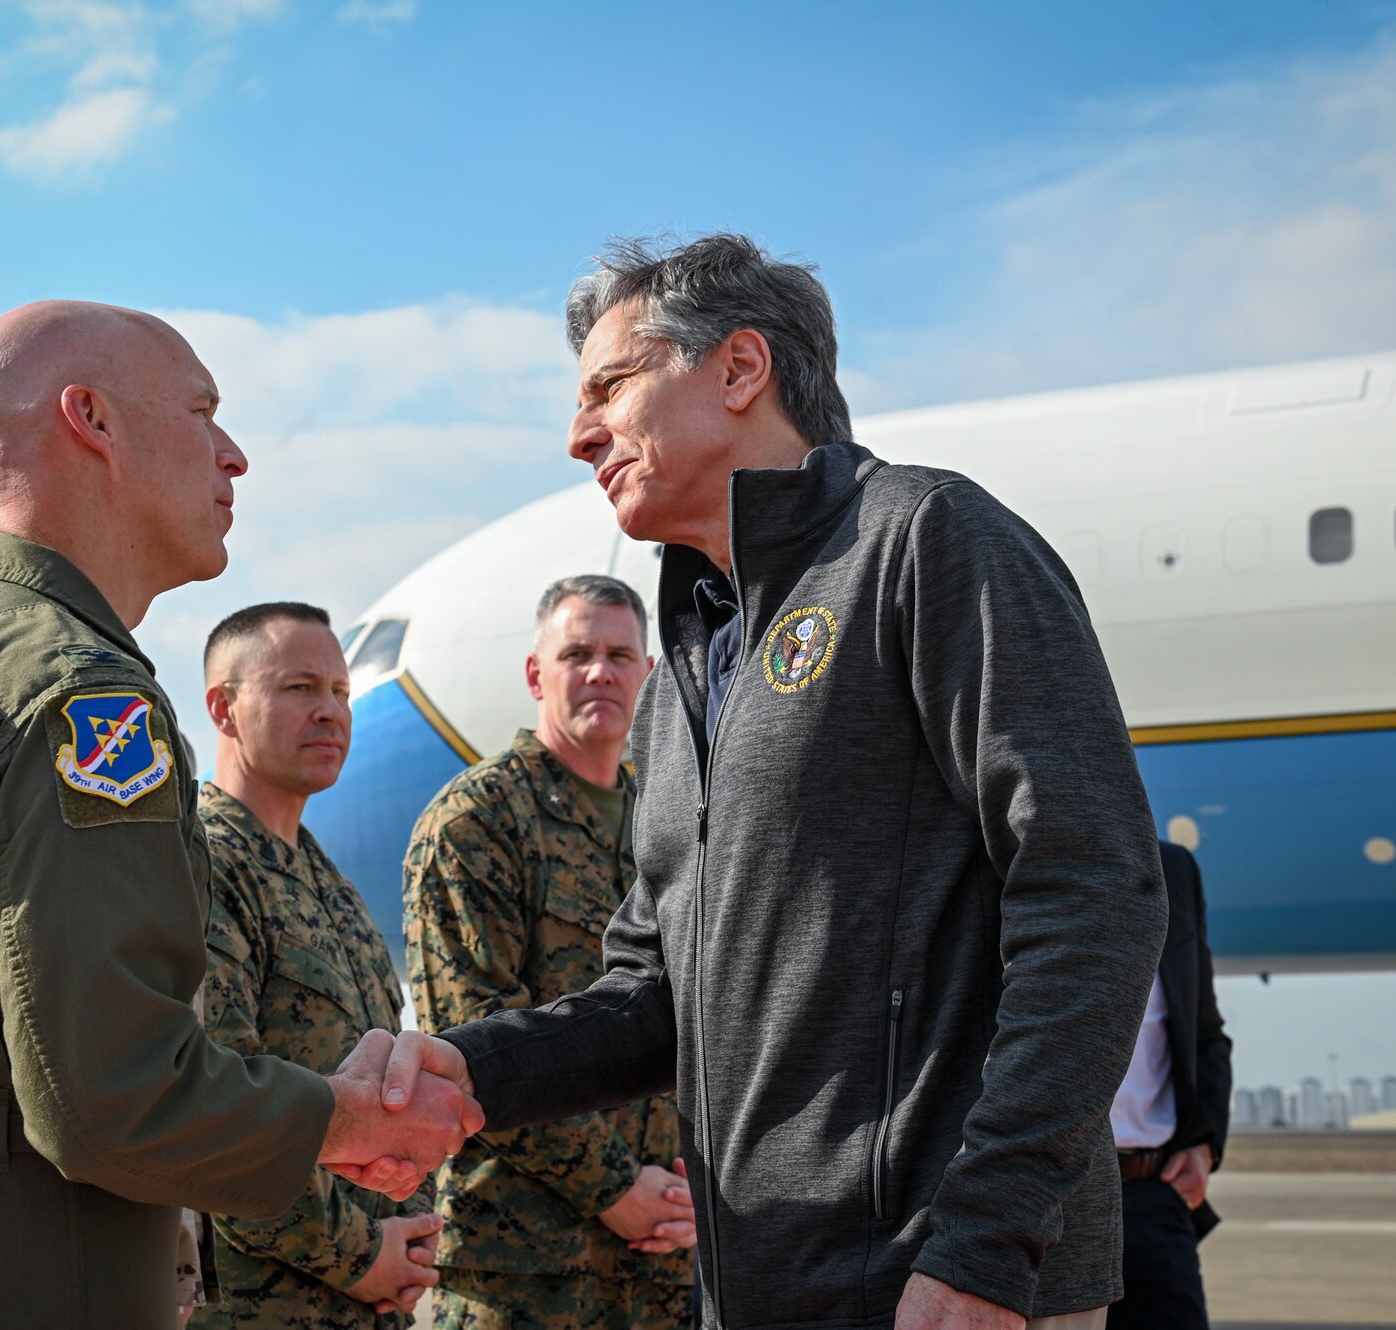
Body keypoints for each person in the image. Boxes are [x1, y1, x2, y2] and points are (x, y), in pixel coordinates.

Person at [375, 235, 1169, 1330]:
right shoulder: (684, 675)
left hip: (938, 1283)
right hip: (753, 1286)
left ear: (739, 370)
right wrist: (461, 1074)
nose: (575, 435)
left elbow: (1092, 887)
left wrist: (991, 1238)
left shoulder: (924, 540)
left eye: (609, 385)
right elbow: (656, 997)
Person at [0, 301, 480, 1330]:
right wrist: (343, 1118)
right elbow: (112, 1101)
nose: (234, 455)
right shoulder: (79, 693)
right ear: (90, 420)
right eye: (203, 412)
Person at [404, 575, 696, 1330]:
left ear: (650, 675)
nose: (600, 672)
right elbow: (469, 1037)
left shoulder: (669, 825)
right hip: (522, 1270)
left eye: (619, 655)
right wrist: (615, 1189)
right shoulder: (475, 821)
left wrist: (691, 1186)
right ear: (537, 674)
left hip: (666, 1264)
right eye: (577, 654)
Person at [195, 601, 443, 1328]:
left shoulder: (324, 880)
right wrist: (362, 1253)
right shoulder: (205, 863)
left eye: (339, 691)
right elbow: (216, 1105)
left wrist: (410, 1238)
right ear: (225, 708)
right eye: (299, 688)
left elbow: (394, 1081)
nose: (332, 712)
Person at [1108, 842, 1232, 1330]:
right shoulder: (999, 848)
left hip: (1151, 1196)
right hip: (1041, 1193)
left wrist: (1204, 1145)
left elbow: (1204, 1030)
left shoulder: (1172, 869)